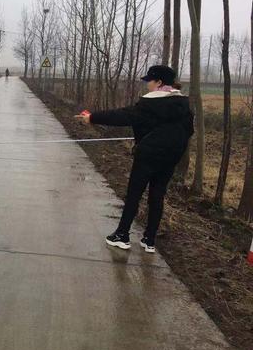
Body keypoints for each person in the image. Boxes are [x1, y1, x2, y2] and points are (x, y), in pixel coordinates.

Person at [75, 65, 193, 253]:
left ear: (159, 82)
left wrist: (92, 118)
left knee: (134, 194)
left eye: (150, 81)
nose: (147, 85)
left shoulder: (151, 103)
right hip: (171, 157)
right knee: (157, 194)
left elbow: (123, 116)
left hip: (148, 155)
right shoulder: (183, 105)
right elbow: (188, 130)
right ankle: (149, 240)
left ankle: (122, 235)